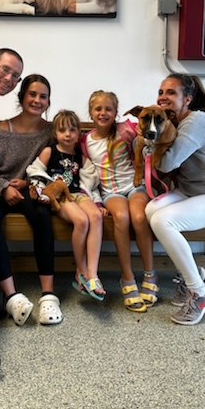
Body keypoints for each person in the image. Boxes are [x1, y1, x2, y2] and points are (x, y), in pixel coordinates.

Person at [145, 74, 205, 326]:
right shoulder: (173, 121)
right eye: (161, 91)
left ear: (187, 98)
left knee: (164, 222)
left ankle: (199, 292)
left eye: (171, 92)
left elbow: (167, 163)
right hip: (191, 191)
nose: (163, 97)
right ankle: (193, 274)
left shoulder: (195, 122)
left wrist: (152, 142)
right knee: (151, 210)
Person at [0, 74, 62, 326]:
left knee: (43, 215)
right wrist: (4, 187)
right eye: (32, 94)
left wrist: (30, 183)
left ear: (48, 101)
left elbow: (56, 166)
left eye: (43, 96)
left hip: (30, 190)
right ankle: (11, 296)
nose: (37, 100)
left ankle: (48, 294)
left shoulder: (52, 133)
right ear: (22, 97)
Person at [80, 90, 157, 313]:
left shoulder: (127, 129)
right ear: (91, 113)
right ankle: (128, 278)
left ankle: (150, 273)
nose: (103, 113)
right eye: (98, 109)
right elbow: (88, 176)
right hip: (110, 192)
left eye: (108, 109)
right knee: (121, 217)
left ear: (116, 112)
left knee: (140, 216)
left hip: (135, 186)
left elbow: (148, 137)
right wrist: (94, 201)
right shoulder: (86, 141)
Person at [26, 109, 106, 300]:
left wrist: (97, 202)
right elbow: (34, 171)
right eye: (62, 130)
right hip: (60, 197)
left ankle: (92, 275)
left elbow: (90, 184)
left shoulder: (81, 157)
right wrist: (45, 190)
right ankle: (81, 271)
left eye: (72, 130)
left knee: (95, 216)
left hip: (77, 194)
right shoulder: (49, 151)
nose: (68, 134)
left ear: (79, 133)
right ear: (55, 133)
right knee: (82, 221)